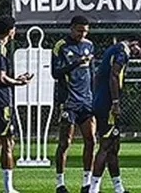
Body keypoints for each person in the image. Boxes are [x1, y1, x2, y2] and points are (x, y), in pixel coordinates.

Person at [0, 16, 33, 193]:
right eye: (14, 28)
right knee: (8, 143)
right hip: (0, 102)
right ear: (10, 30)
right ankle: (8, 187)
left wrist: (15, 79)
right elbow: (0, 77)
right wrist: (19, 83)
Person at [89, 34, 141, 193]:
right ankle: (94, 188)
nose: (135, 55)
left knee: (114, 146)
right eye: (137, 51)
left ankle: (118, 187)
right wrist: (115, 102)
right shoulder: (122, 52)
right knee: (106, 146)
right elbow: (114, 75)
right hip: (107, 104)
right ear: (134, 43)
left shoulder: (112, 49)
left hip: (102, 101)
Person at [52, 15, 96, 193]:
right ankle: (60, 183)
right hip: (69, 101)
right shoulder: (61, 46)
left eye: (85, 31)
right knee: (65, 142)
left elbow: (92, 73)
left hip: (86, 101)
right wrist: (75, 63)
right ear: (72, 28)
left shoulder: (89, 45)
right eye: (79, 31)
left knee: (91, 140)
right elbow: (56, 73)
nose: (82, 34)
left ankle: (87, 183)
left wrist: (94, 97)